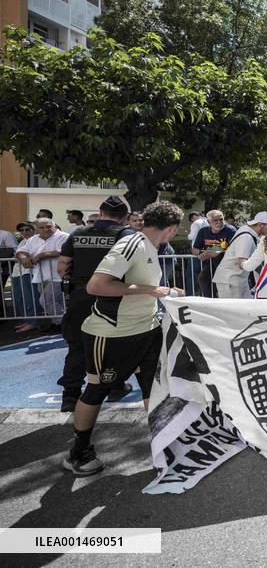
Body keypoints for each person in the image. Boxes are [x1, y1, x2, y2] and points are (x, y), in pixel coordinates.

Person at [63, 201, 186, 476]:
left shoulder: (151, 247)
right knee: (97, 390)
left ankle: (163, 443)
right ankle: (78, 452)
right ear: (172, 228)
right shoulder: (132, 243)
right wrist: (151, 289)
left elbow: (143, 287)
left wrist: (163, 291)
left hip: (146, 330)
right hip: (112, 334)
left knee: (152, 388)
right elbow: (98, 285)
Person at [56, 196, 135, 411]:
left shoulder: (78, 233)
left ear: (100, 213)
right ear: (125, 217)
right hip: (112, 297)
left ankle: (70, 395)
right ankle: (115, 386)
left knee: (78, 346)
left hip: (80, 296)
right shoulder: (126, 235)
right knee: (113, 345)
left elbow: (62, 268)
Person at [14, 217, 69, 332]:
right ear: (36, 229)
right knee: (56, 301)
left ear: (54, 226)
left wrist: (41, 255)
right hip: (40, 276)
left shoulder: (64, 236)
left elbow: (62, 251)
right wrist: (24, 258)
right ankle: (61, 323)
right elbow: (20, 251)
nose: (45, 229)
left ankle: (62, 323)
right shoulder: (33, 239)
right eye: (42, 227)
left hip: (59, 275)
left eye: (48, 226)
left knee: (46, 300)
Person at [213, 212, 267, 299]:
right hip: (230, 280)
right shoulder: (246, 237)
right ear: (261, 225)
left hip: (236, 279)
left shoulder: (248, 233)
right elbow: (241, 262)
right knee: (233, 311)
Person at [191, 210, 237, 297]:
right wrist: (204, 253)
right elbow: (194, 249)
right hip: (210, 265)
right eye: (215, 220)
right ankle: (210, 302)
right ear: (208, 222)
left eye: (221, 219)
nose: (219, 222)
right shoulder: (203, 231)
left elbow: (234, 248)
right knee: (203, 278)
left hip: (227, 266)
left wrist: (217, 251)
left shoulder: (230, 230)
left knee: (224, 287)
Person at [10, 222, 40, 330]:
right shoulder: (23, 241)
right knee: (18, 297)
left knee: (30, 297)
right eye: (22, 230)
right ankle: (28, 320)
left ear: (34, 230)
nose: (24, 232)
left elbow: (29, 254)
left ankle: (33, 322)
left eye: (27, 229)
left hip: (28, 272)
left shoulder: (36, 240)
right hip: (17, 272)